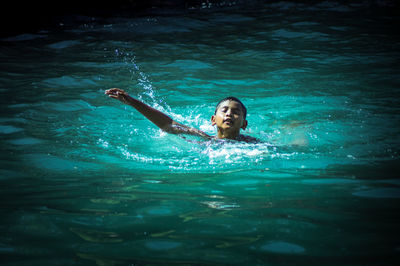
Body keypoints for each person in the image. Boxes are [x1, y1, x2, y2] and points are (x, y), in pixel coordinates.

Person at [105, 88, 258, 143]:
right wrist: (132, 102)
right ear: (213, 120)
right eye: (224, 110)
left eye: (236, 112)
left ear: (244, 124)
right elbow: (169, 124)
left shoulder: (253, 144)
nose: (229, 114)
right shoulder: (205, 139)